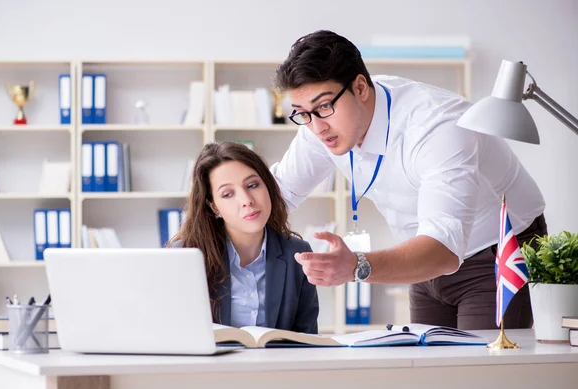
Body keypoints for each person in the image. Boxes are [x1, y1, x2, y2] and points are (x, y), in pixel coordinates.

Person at [270, 30, 547, 330]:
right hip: (423, 257)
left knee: (480, 370)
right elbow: (278, 193)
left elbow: (443, 248)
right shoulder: (319, 123)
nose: (316, 127)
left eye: (324, 106)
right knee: (428, 370)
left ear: (360, 88)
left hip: (496, 253)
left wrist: (356, 266)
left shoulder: (437, 126)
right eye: (302, 113)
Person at [168, 141, 319, 334]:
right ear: (214, 207)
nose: (247, 200)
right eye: (228, 194)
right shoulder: (186, 256)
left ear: (268, 186)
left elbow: (307, 341)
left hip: (279, 365)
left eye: (252, 185)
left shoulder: (297, 254)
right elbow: (176, 335)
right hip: (212, 364)